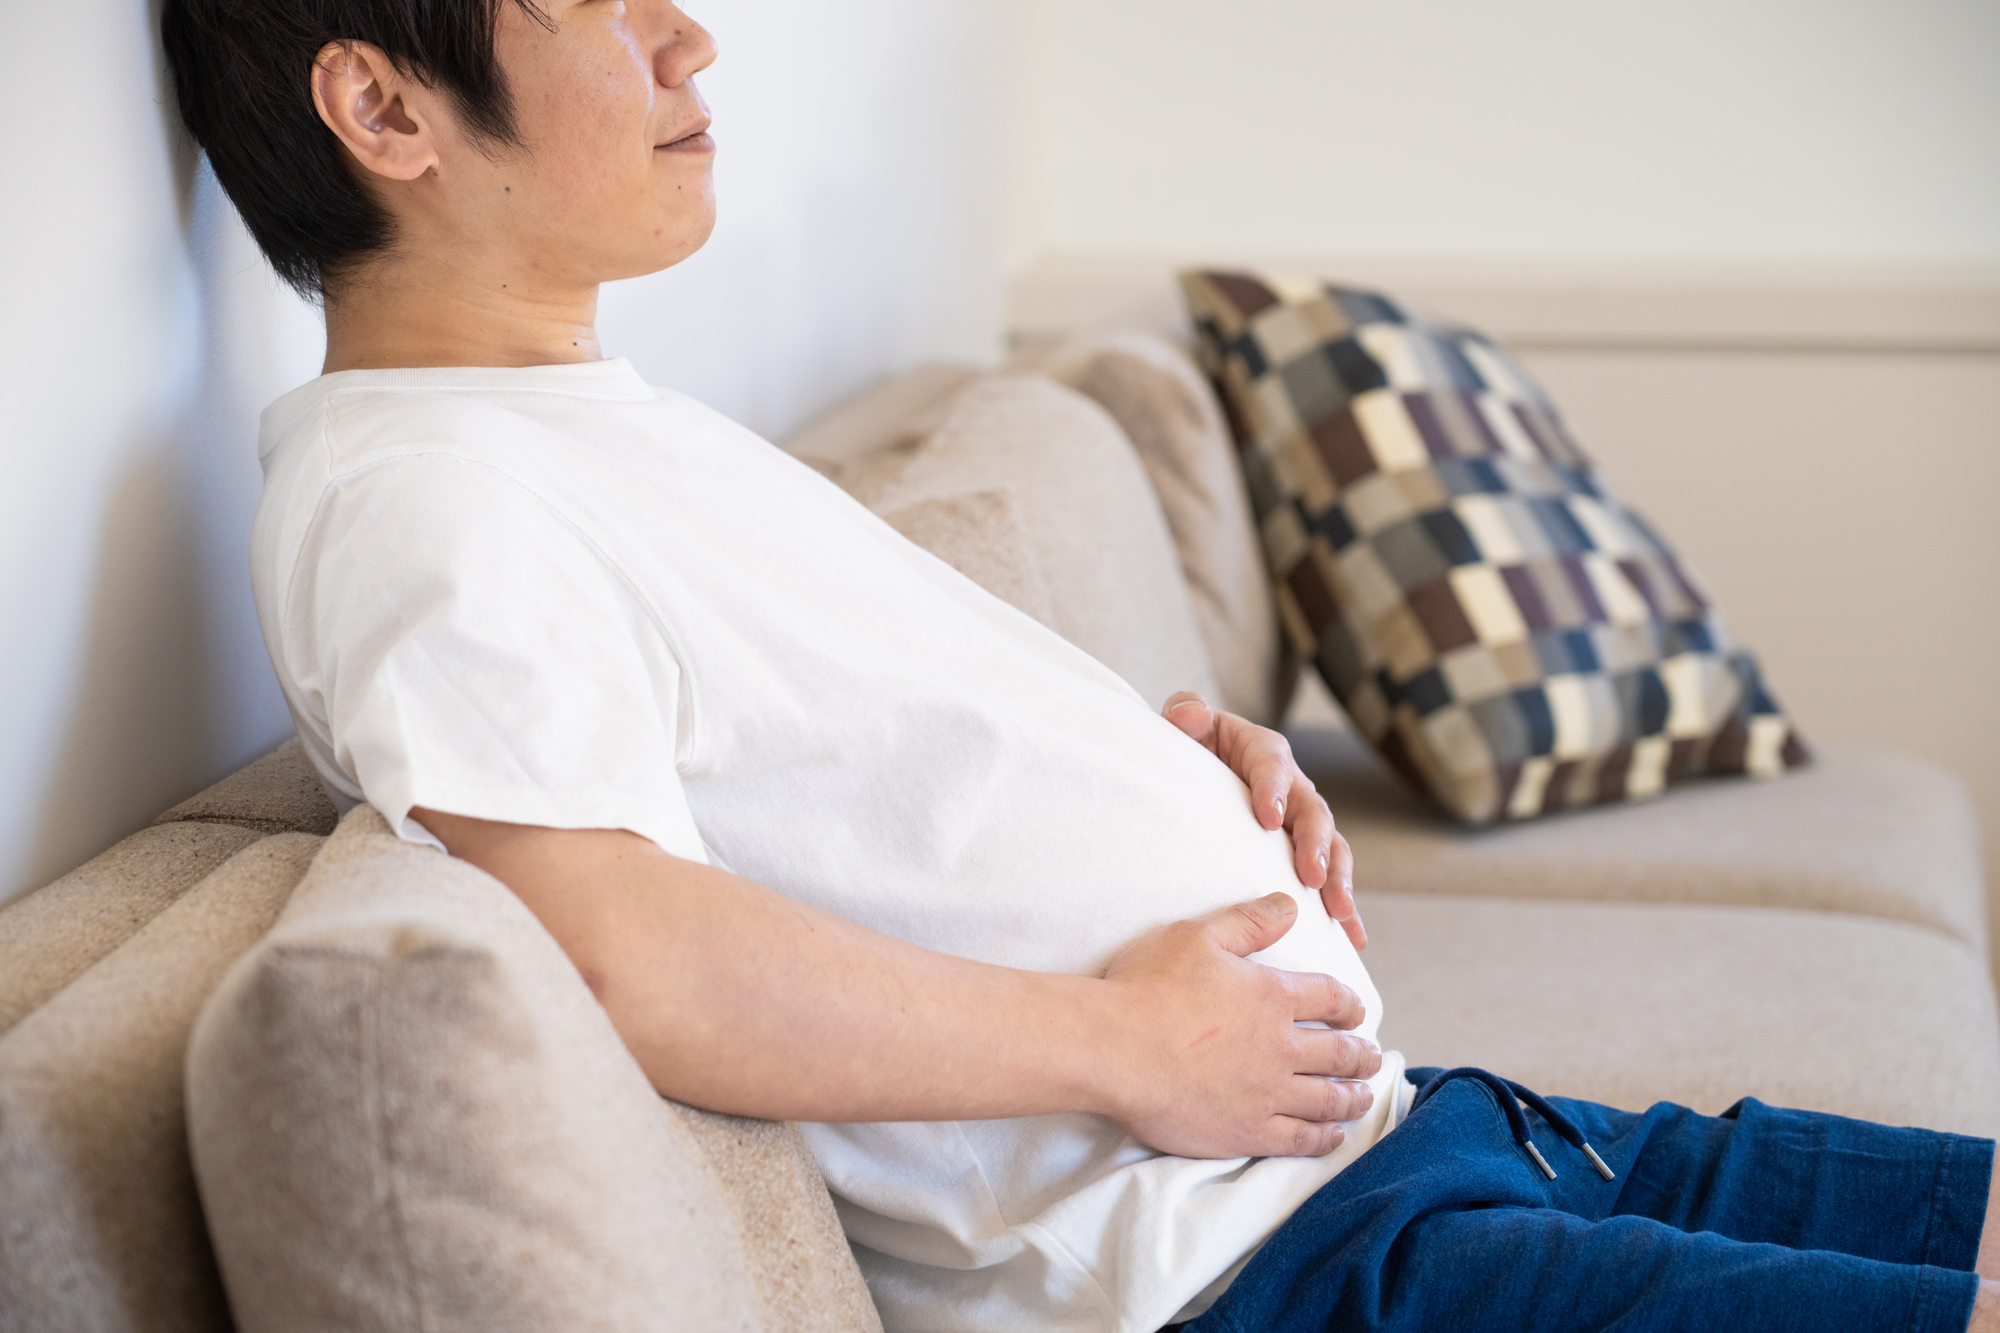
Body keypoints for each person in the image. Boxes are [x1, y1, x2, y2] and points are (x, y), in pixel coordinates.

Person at [160, 2, 1998, 1329]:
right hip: (1273, 1270)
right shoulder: (421, 496)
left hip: (1405, 1138)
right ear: (383, 107)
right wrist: (1131, 1045)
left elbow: (847, 783)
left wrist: (1175, 767)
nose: (689, 39)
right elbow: (628, 952)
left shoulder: (570, 428)